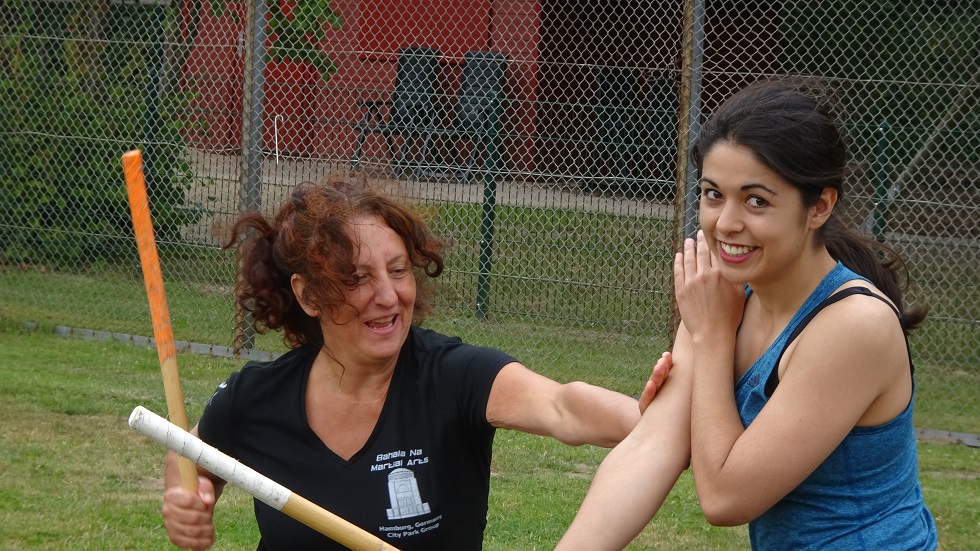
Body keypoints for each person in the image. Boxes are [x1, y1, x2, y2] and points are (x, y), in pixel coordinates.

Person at [160, 175, 671, 551]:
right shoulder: (258, 397)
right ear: (308, 295)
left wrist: (653, 420)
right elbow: (188, 455)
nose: (388, 296)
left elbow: (563, 406)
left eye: (398, 270)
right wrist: (186, 497)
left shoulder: (453, 377)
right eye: (358, 278)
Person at [559, 78, 939, 550]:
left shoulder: (853, 325)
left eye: (756, 200)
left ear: (819, 206)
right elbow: (651, 446)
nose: (725, 223)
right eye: (713, 194)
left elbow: (725, 497)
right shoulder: (722, 296)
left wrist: (713, 338)